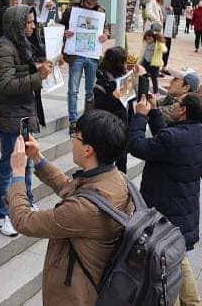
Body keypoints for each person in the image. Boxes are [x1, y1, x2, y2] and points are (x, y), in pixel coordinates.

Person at [7, 109, 133, 305]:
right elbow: (71, 188)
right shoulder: (117, 179)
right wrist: (37, 158)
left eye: (76, 136)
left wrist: (17, 172)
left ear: (88, 150)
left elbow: (24, 221)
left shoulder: (84, 210)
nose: (72, 140)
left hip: (75, 296)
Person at [128, 93, 202, 306]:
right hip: (184, 209)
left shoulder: (173, 138)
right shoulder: (199, 130)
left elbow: (136, 146)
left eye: (177, 102)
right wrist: (154, 112)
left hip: (166, 210)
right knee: (178, 258)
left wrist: (140, 116)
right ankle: (192, 302)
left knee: (167, 266)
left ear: (184, 110)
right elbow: (166, 141)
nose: (173, 105)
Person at [0, 5, 52, 236]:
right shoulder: (5, 49)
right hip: (10, 116)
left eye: (33, 22)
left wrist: (40, 69)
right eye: (28, 22)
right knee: (9, 164)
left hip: (24, 113)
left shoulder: (22, 43)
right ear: (16, 24)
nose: (32, 26)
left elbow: (22, 72)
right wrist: (37, 77)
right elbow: (7, 85)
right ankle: (2, 215)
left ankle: (26, 201)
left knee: (26, 159)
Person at [60, 0, 109, 134]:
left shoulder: (101, 11)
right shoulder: (72, 9)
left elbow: (106, 29)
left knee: (90, 91)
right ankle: (73, 121)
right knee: (73, 89)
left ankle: (88, 120)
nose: (91, 6)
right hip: (76, 55)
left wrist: (105, 35)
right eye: (88, 2)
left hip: (92, 55)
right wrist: (64, 32)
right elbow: (60, 27)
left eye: (94, 3)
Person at [93, 47, 146, 173]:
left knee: (122, 160)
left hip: (124, 125)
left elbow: (139, 98)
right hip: (108, 128)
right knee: (105, 159)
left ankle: (122, 181)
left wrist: (142, 76)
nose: (126, 64)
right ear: (117, 63)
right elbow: (99, 105)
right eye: (124, 61)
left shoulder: (124, 77)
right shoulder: (103, 80)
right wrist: (113, 97)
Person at [138, 27, 167, 95]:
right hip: (145, 61)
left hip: (154, 64)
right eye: (147, 39)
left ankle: (156, 92)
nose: (148, 40)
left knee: (154, 78)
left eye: (150, 39)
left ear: (154, 38)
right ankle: (144, 89)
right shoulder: (146, 43)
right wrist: (139, 62)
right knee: (143, 75)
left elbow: (164, 50)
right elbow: (142, 53)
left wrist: (160, 42)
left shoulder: (157, 44)